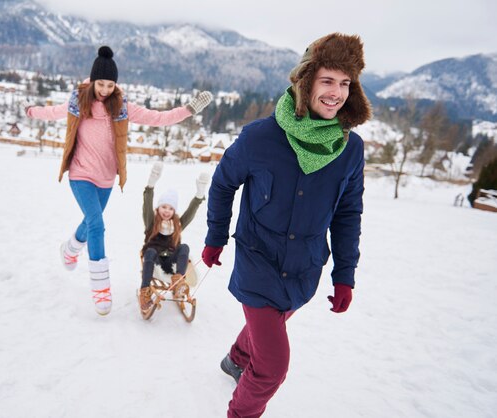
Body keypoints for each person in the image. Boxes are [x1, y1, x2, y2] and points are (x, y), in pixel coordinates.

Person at [201, 33, 372, 417]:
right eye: (328, 81)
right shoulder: (261, 137)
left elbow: (348, 213)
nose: (336, 93)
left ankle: (235, 359)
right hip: (257, 260)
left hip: (304, 267)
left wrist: (344, 274)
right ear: (307, 81)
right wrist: (215, 238)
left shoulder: (351, 150)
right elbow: (224, 183)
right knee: (272, 368)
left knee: (272, 325)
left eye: (345, 84)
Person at [25, 45, 213, 316]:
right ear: (92, 81)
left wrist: (187, 110)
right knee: (97, 224)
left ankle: (70, 248)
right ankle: (101, 287)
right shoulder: (78, 101)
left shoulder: (122, 107)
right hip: (80, 175)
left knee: (90, 221)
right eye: (100, 84)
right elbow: (52, 111)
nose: (104, 89)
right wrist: (32, 111)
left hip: (105, 179)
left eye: (110, 84)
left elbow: (158, 118)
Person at [138, 161, 209, 315]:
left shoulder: (176, 225)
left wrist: (199, 195)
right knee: (149, 252)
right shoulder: (152, 221)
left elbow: (190, 213)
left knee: (184, 247)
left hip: (170, 260)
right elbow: (147, 204)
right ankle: (144, 291)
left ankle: (178, 282)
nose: (167, 211)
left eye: (171, 208)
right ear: (158, 208)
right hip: (155, 258)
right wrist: (151, 184)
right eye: (164, 206)